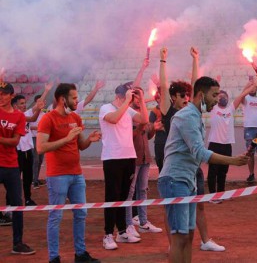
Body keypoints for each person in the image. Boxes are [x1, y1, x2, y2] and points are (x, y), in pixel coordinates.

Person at [157, 76, 248, 262]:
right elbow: (200, 153)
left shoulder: (195, 115)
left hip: (186, 180)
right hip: (175, 180)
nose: (217, 99)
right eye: (214, 95)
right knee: (179, 237)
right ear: (201, 94)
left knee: (188, 236)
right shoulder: (187, 116)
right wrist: (234, 161)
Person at [37, 83, 101, 263]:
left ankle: (80, 254)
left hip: (76, 174)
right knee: (56, 216)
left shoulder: (75, 118)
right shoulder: (48, 119)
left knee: (81, 214)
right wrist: (67, 138)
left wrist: (89, 139)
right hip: (58, 175)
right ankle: (54, 258)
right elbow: (40, 147)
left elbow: (80, 145)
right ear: (62, 99)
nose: (77, 100)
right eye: (74, 97)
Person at [99, 82, 148, 250]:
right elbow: (113, 119)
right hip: (112, 158)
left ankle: (121, 231)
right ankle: (107, 234)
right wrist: (127, 102)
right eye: (127, 95)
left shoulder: (128, 109)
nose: (130, 98)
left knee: (124, 196)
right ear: (119, 96)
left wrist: (141, 101)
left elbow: (144, 120)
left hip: (129, 157)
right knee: (112, 196)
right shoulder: (105, 108)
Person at [0, 81, 35, 255]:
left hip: (11, 164)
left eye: (4, 93)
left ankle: (18, 243)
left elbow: (15, 141)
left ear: (11, 95)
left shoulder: (19, 117)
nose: (1, 97)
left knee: (17, 205)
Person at [125, 86, 163, 238]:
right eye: (136, 96)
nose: (139, 99)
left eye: (140, 96)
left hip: (145, 157)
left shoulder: (143, 113)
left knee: (143, 190)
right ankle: (128, 224)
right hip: (132, 157)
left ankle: (143, 222)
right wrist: (140, 128)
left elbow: (147, 136)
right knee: (130, 192)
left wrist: (153, 128)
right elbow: (127, 136)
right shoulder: (127, 113)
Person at [207, 83, 255, 201]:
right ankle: (212, 195)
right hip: (214, 144)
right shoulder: (213, 108)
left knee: (223, 171)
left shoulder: (231, 109)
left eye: (225, 96)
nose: (222, 98)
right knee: (213, 171)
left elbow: (241, 95)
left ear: (228, 99)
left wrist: (250, 85)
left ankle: (221, 194)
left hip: (227, 145)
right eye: (220, 96)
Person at [12, 95, 39, 206]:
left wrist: (46, 91)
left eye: (24, 103)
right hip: (17, 150)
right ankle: (13, 200)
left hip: (28, 150)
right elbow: (33, 119)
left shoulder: (26, 113)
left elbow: (36, 108)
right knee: (14, 178)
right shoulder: (13, 116)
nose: (24, 105)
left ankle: (28, 198)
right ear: (15, 105)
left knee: (28, 176)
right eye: (21, 103)